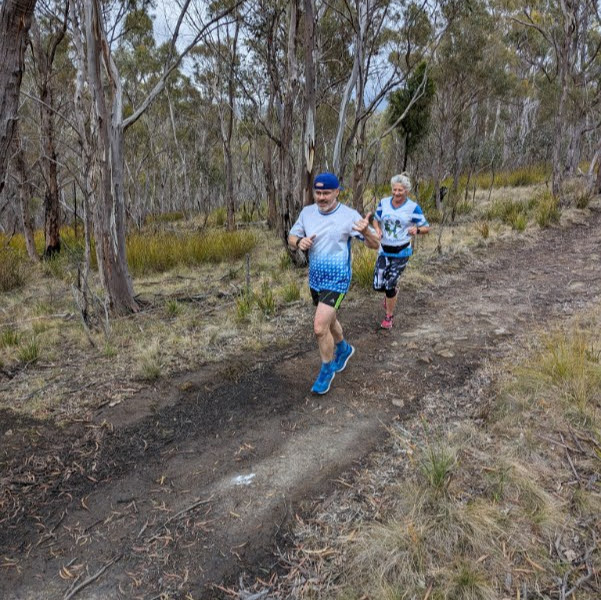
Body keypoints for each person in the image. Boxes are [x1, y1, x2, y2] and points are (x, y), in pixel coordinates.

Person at [288, 172, 380, 394]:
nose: (321, 197)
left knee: (319, 328)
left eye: (327, 193)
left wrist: (365, 231)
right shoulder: (307, 213)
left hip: (338, 279)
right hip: (316, 279)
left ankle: (327, 370)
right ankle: (344, 348)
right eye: (318, 193)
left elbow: (375, 244)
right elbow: (291, 238)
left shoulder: (349, 216)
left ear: (337, 192)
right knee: (330, 321)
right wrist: (299, 242)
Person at [372, 173, 430, 329]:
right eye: (394, 190)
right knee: (378, 285)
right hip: (384, 250)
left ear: (406, 191)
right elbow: (376, 219)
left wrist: (417, 230)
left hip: (401, 251)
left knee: (389, 285)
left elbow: (426, 227)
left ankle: (389, 317)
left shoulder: (413, 207)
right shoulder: (384, 203)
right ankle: (391, 295)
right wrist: (377, 229)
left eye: (400, 190)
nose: (396, 193)